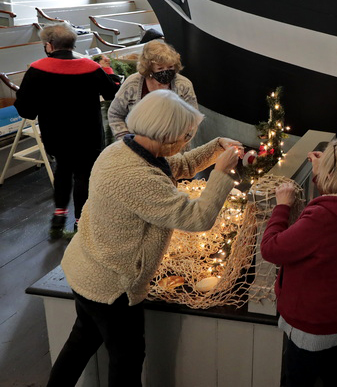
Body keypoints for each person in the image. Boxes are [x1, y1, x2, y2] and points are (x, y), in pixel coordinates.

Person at [46, 90, 242, 387]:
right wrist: (222, 172)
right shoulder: (138, 179)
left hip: (86, 269)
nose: (186, 141)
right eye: (185, 135)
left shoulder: (123, 150)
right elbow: (197, 218)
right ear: (166, 135)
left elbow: (179, 166)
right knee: (126, 361)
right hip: (113, 287)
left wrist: (216, 147)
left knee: (81, 341)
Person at [261, 140, 337, 387]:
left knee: (296, 380)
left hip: (315, 325)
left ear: (331, 175)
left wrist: (282, 207)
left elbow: (271, 248)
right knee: (333, 369)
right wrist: (322, 171)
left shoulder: (322, 218)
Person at [14, 24, 121, 238]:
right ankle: (80, 223)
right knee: (83, 175)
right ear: (73, 44)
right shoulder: (91, 67)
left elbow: (26, 109)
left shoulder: (36, 69)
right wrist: (109, 72)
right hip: (88, 133)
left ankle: (58, 218)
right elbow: (112, 94)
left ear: (49, 45)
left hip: (55, 134)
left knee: (62, 169)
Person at [107, 40, 197, 141]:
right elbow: (115, 114)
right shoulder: (132, 84)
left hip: (174, 147)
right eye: (160, 68)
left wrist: (180, 140)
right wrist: (126, 139)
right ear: (149, 69)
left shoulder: (184, 85)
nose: (166, 72)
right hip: (138, 147)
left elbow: (193, 118)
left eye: (170, 67)